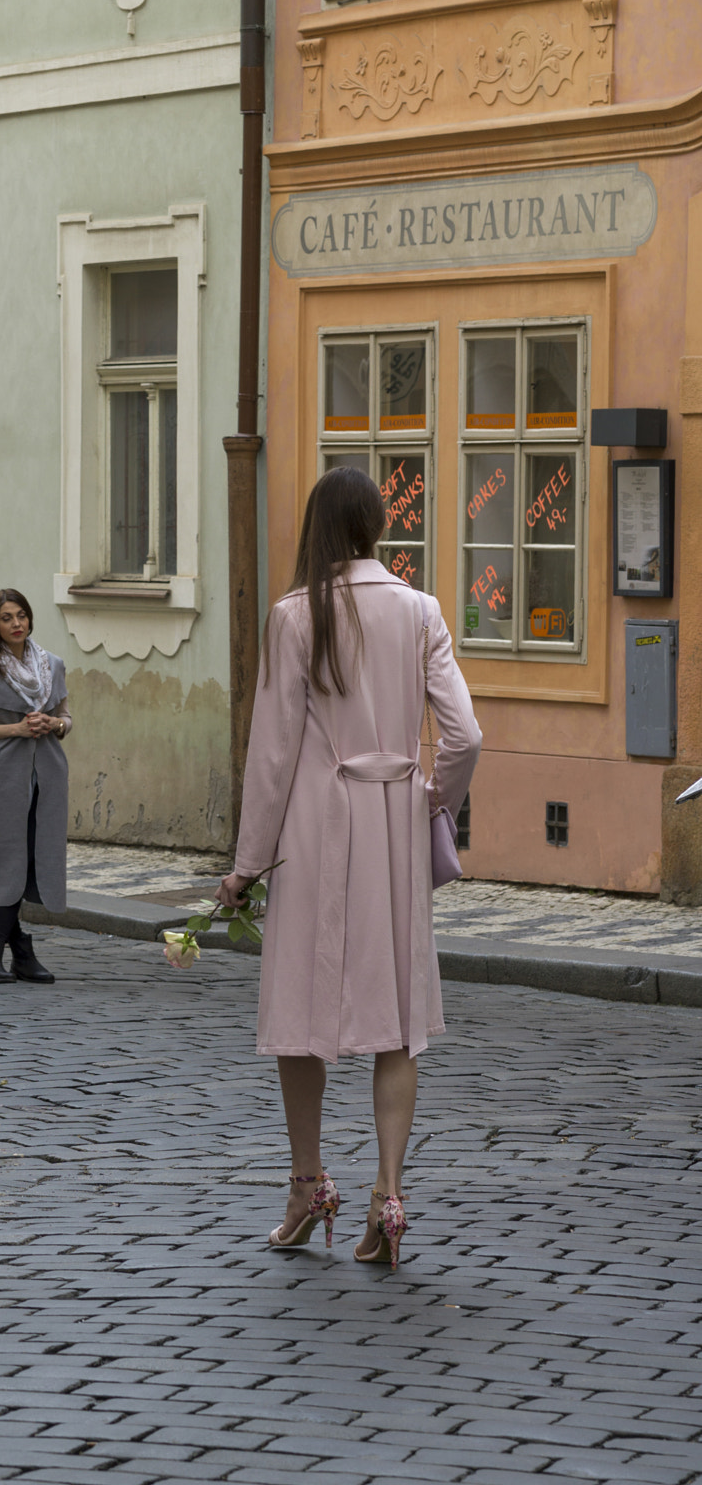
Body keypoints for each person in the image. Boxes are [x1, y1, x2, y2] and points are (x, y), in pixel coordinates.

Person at [217, 466, 480, 1267]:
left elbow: (270, 756)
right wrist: (431, 798)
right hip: (394, 820)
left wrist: (245, 866)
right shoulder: (419, 609)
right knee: (395, 1018)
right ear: (375, 525)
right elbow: (465, 735)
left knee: (301, 1015)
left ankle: (307, 1184)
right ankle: (387, 1198)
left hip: (314, 825)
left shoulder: (296, 615)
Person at [0, 589, 71, 985]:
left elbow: (66, 718)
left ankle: (10, 951)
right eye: (7, 618)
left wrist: (53, 725)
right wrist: (18, 728)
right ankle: (2, 951)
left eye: (21, 615)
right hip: (2, 775)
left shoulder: (51, 665)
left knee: (31, 859)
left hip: (47, 774)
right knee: (4, 858)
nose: (17, 624)